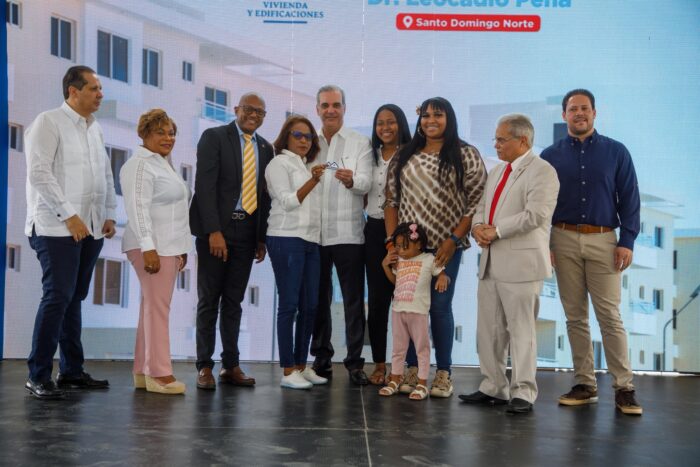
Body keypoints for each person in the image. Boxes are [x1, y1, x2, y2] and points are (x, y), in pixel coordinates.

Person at [541, 89, 642, 415]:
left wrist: (627, 240)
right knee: (575, 317)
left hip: (604, 241)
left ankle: (624, 388)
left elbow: (630, 197)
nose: (579, 113)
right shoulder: (550, 156)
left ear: (594, 113)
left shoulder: (616, 152)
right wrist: (546, 244)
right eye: (573, 109)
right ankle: (585, 384)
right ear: (564, 115)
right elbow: (542, 204)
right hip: (562, 239)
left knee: (609, 316)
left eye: (584, 108)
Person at [22, 66, 116, 399]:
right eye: (93, 88)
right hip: (54, 227)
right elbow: (39, 173)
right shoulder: (48, 122)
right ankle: (37, 375)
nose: (100, 94)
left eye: (100, 89)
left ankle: (72, 372)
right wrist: (70, 215)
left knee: (74, 297)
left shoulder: (95, 128)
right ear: (73, 91)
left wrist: (108, 213)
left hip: (90, 227)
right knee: (58, 296)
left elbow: (104, 173)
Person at [385, 96, 486, 398]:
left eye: (438, 115)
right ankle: (412, 369)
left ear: (448, 118)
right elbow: (391, 201)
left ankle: (443, 373)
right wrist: (392, 244)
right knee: (410, 308)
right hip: (409, 250)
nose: (431, 120)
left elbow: (475, 203)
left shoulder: (466, 154)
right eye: (426, 115)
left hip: (445, 247)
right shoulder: (404, 154)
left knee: (440, 307)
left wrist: (454, 240)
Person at [459, 114, 559, 414]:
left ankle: (524, 392)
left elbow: (536, 214)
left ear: (523, 140)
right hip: (490, 262)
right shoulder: (497, 171)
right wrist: (478, 226)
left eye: (502, 139)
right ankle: (494, 386)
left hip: (522, 264)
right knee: (489, 330)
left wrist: (497, 230)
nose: (496, 144)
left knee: (521, 331)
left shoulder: (543, 171)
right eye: (496, 139)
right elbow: (480, 206)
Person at [190, 92, 273, 390]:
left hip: (247, 232)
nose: (254, 115)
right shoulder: (214, 137)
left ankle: (231, 365)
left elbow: (264, 195)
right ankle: (204, 366)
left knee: (234, 302)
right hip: (217, 231)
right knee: (209, 300)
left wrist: (260, 238)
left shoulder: (266, 148)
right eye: (249, 109)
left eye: (260, 112)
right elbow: (204, 186)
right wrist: (213, 231)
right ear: (237, 109)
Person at [120, 109, 191, 395]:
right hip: (151, 247)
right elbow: (137, 208)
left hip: (167, 247)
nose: (168, 137)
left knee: (150, 308)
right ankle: (159, 374)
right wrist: (148, 246)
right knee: (158, 309)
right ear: (144, 134)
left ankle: (142, 370)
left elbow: (175, 211)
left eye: (171, 133)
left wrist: (181, 249)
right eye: (160, 132)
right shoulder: (140, 165)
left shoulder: (162, 164)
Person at [309, 85, 373, 385]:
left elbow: (367, 182)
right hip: (315, 234)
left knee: (353, 301)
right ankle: (321, 357)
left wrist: (352, 180)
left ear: (344, 108)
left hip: (349, 234)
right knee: (318, 300)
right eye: (325, 105)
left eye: (336, 105)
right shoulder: (308, 142)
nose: (330, 110)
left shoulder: (360, 142)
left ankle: (355, 362)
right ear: (317, 109)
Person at [265, 116, 328, 389]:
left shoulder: (305, 166)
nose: (304, 140)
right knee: (289, 305)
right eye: (298, 135)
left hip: (310, 241)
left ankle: (302, 365)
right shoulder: (278, 164)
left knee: (310, 305)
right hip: (285, 237)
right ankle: (288, 369)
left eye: (309, 136)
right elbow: (289, 202)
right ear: (286, 137)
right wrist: (313, 181)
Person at [365, 104, 412, 386]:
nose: (385, 127)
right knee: (378, 301)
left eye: (391, 122)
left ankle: (405, 367)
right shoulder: (368, 155)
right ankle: (380, 364)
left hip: (406, 233)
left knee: (406, 301)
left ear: (401, 124)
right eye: (380, 122)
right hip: (373, 230)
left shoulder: (411, 154)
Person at [379, 223, 449, 401]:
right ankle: (395, 380)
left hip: (418, 312)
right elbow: (395, 281)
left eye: (405, 246)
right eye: (397, 246)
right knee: (398, 349)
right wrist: (385, 266)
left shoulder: (429, 259)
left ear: (419, 244)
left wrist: (442, 278)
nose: (400, 251)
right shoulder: (399, 261)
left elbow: (441, 272)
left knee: (422, 349)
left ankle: (422, 384)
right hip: (398, 310)